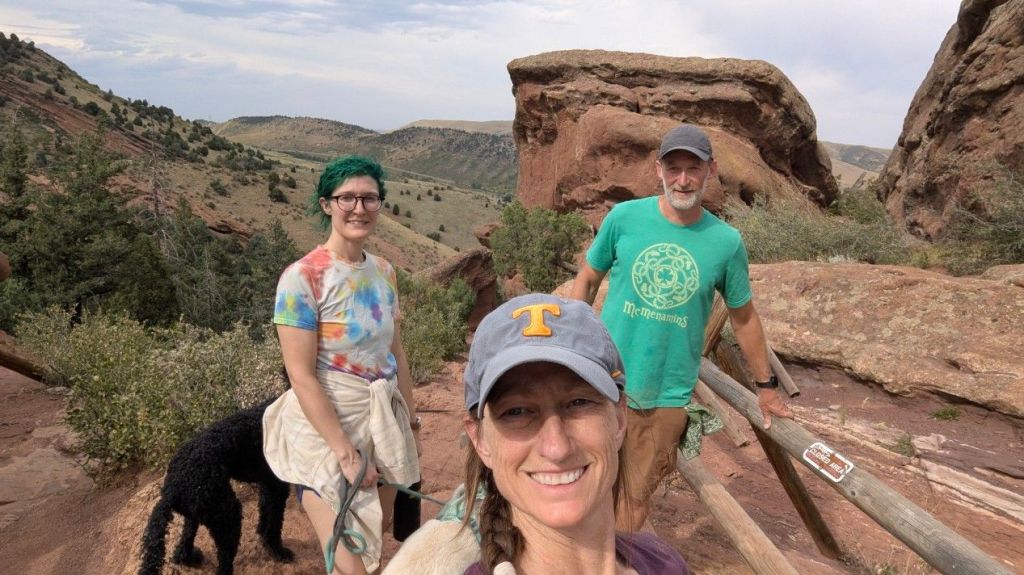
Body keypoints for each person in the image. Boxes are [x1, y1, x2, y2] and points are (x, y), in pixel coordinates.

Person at [570, 124, 793, 531]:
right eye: (674, 168)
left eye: (694, 168)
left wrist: (766, 386)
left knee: (633, 502)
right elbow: (587, 279)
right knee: (581, 485)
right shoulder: (624, 218)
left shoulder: (725, 242)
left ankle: (615, 558)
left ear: (711, 170)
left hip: (664, 395)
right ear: (659, 169)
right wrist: (570, 345)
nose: (683, 179)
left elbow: (744, 317)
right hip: (600, 380)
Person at [262, 155, 420, 575]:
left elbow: (396, 353)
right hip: (325, 431)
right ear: (326, 204)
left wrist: (411, 423)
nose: (359, 208)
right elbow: (300, 374)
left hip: (382, 421)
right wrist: (344, 452)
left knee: (374, 539)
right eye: (347, 198)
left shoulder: (384, 272)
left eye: (370, 198)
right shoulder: (302, 277)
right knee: (350, 564)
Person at [461, 293, 689, 575]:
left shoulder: (664, 563)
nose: (557, 448)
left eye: (579, 402)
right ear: (480, 440)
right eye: (516, 411)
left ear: (619, 419)